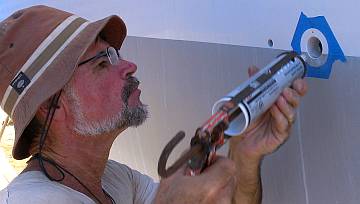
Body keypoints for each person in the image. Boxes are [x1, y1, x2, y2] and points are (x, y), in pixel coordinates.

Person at [0, 5, 307, 204]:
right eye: (102, 63)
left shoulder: (115, 179)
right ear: (50, 105)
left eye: (117, 55)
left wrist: (244, 156)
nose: (129, 66)